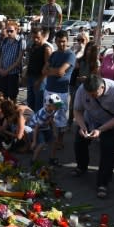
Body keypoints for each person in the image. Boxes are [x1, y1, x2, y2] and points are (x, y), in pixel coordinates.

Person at [72, 74, 114, 199]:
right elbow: (77, 110)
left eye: (94, 94)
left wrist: (100, 130)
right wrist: (82, 126)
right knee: (79, 141)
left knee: (108, 150)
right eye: (89, 94)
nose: (91, 97)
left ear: (102, 87)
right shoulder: (82, 90)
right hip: (89, 118)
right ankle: (81, 166)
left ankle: (103, 183)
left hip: (110, 122)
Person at [43, 29, 76, 165]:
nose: (61, 44)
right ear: (55, 41)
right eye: (59, 41)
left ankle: (59, 142)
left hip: (61, 92)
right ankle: (52, 140)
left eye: (63, 41)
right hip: (49, 89)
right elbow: (45, 70)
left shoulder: (70, 55)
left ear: (67, 41)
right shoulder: (54, 54)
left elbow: (61, 71)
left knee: (60, 119)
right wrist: (54, 72)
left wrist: (53, 71)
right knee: (48, 117)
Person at [29, 93, 62, 163]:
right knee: (42, 144)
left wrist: (55, 132)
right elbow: (36, 127)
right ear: (49, 105)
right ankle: (33, 160)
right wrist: (34, 141)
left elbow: (52, 120)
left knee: (54, 140)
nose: (58, 106)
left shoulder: (53, 110)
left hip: (44, 126)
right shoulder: (43, 113)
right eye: (56, 105)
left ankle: (52, 159)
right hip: (35, 128)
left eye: (58, 105)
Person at [25, 27, 52, 111]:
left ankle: (38, 122)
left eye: (38, 38)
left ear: (43, 36)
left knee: (38, 104)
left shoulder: (46, 49)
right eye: (33, 38)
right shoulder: (33, 46)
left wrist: (39, 81)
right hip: (30, 77)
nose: (35, 40)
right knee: (30, 101)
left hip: (40, 79)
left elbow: (48, 68)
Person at [0, 22, 24, 101]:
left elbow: (18, 60)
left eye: (11, 31)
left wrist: (7, 71)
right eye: (8, 31)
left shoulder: (21, 41)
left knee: (12, 96)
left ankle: (12, 112)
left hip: (13, 73)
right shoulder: (5, 40)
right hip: (3, 72)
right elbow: (2, 56)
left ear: (16, 30)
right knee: (2, 95)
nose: (9, 33)